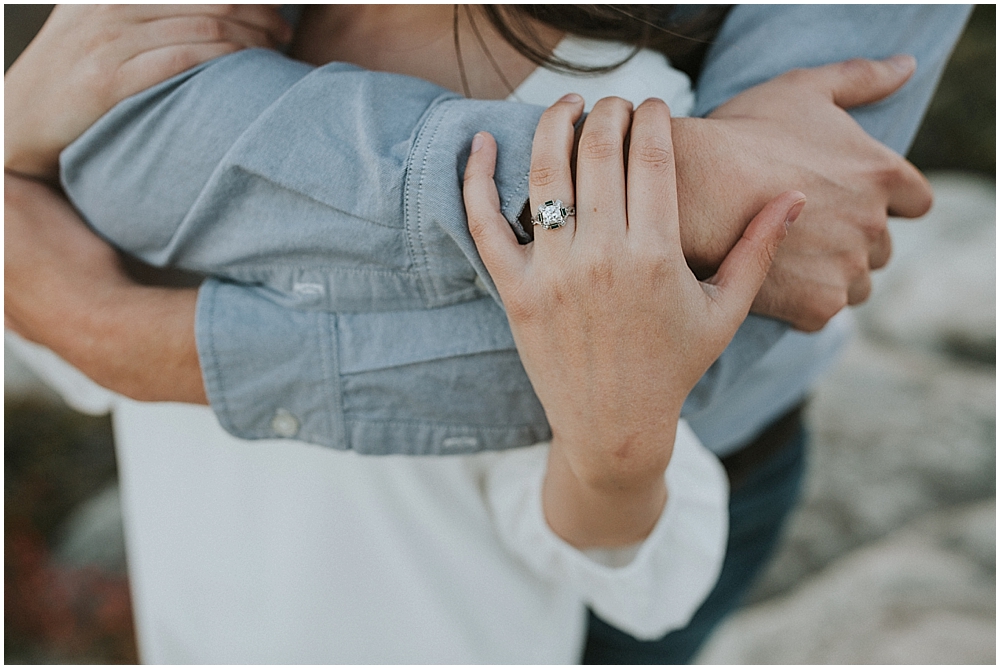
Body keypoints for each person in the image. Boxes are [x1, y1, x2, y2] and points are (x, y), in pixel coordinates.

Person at [4, 4, 969, 663]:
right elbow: (48, 306)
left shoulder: (631, 135)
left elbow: (630, 555)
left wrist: (615, 447)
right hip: (200, 632)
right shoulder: (161, 73)